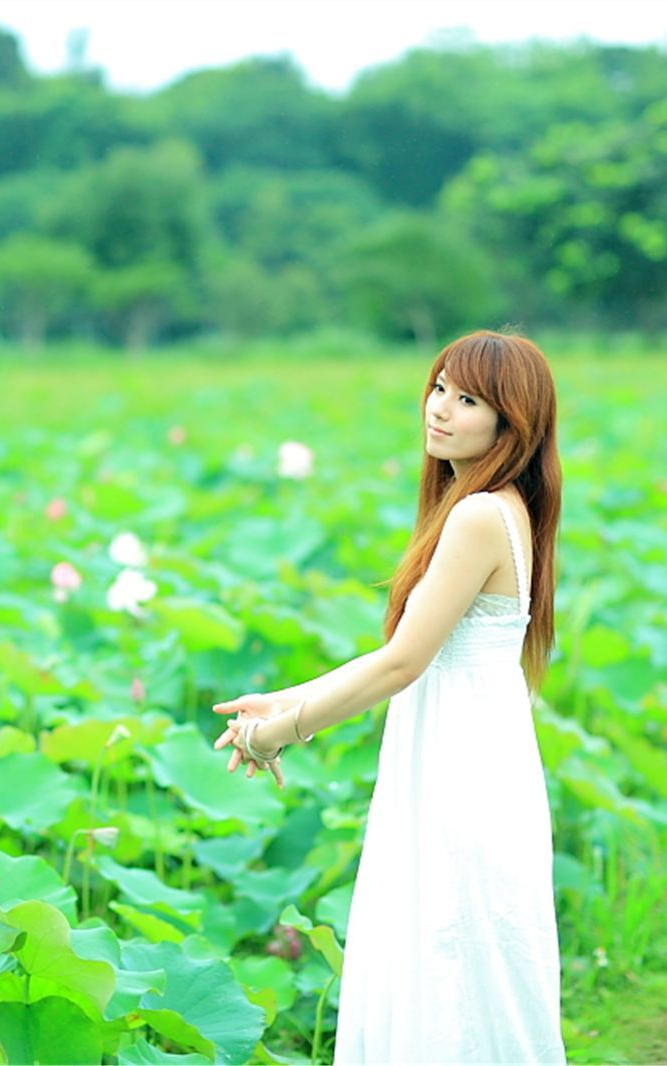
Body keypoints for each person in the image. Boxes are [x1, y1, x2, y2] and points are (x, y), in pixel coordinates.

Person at [211, 329, 567, 1064]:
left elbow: (404, 662)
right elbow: (407, 657)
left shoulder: (477, 516)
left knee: (446, 960)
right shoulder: (500, 506)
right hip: (469, 750)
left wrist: (286, 731)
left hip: (460, 765)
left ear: (511, 425)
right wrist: (279, 702)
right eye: (439, 387)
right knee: (459, 961)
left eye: (468, 401)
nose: (439, 409)